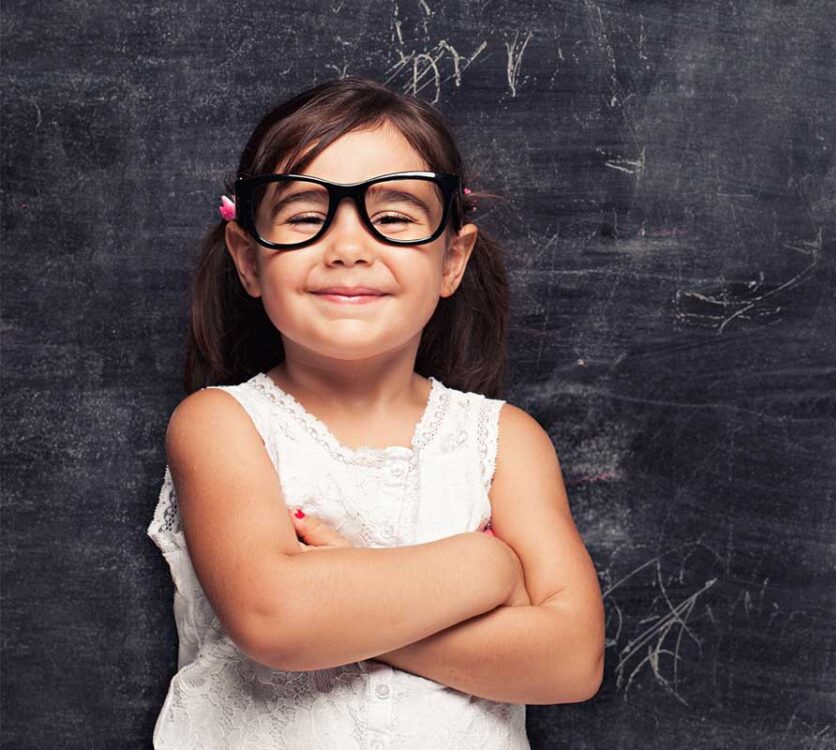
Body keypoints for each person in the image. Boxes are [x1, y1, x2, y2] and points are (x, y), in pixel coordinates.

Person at [145, 76, 606, 749]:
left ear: (452, 259)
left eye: (391, 218)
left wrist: (355, 598)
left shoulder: (504, 442)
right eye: (305, 217)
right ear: (248, 260)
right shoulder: (221, 424)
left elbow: (570, 662)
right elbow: (277, 617)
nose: (349, 247)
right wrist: (487, 571)